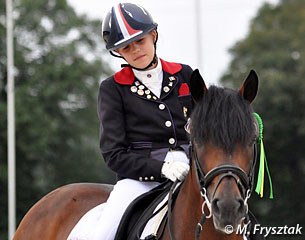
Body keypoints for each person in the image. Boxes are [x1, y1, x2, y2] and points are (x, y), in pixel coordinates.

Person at [69, 2, 194, 239]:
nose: (136, 50)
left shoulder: (184, 74)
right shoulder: (112, 89)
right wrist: (161, 168)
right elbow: (113, 154)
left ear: (153, 36)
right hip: (139, 181)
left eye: (140, 41)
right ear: (118, 52)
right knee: (103, 235)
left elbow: (210, 122)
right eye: (126, 47)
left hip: (193, 171)